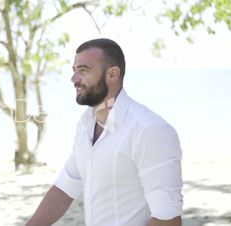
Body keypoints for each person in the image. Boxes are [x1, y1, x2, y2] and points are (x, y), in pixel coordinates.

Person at [26, 39, 183, 226]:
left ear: (112, 74)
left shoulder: (150, 131)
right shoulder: (86, 124)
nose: (74, 79)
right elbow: (65, 187)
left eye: (83, 70)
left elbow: (168, 219)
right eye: (74, 70)